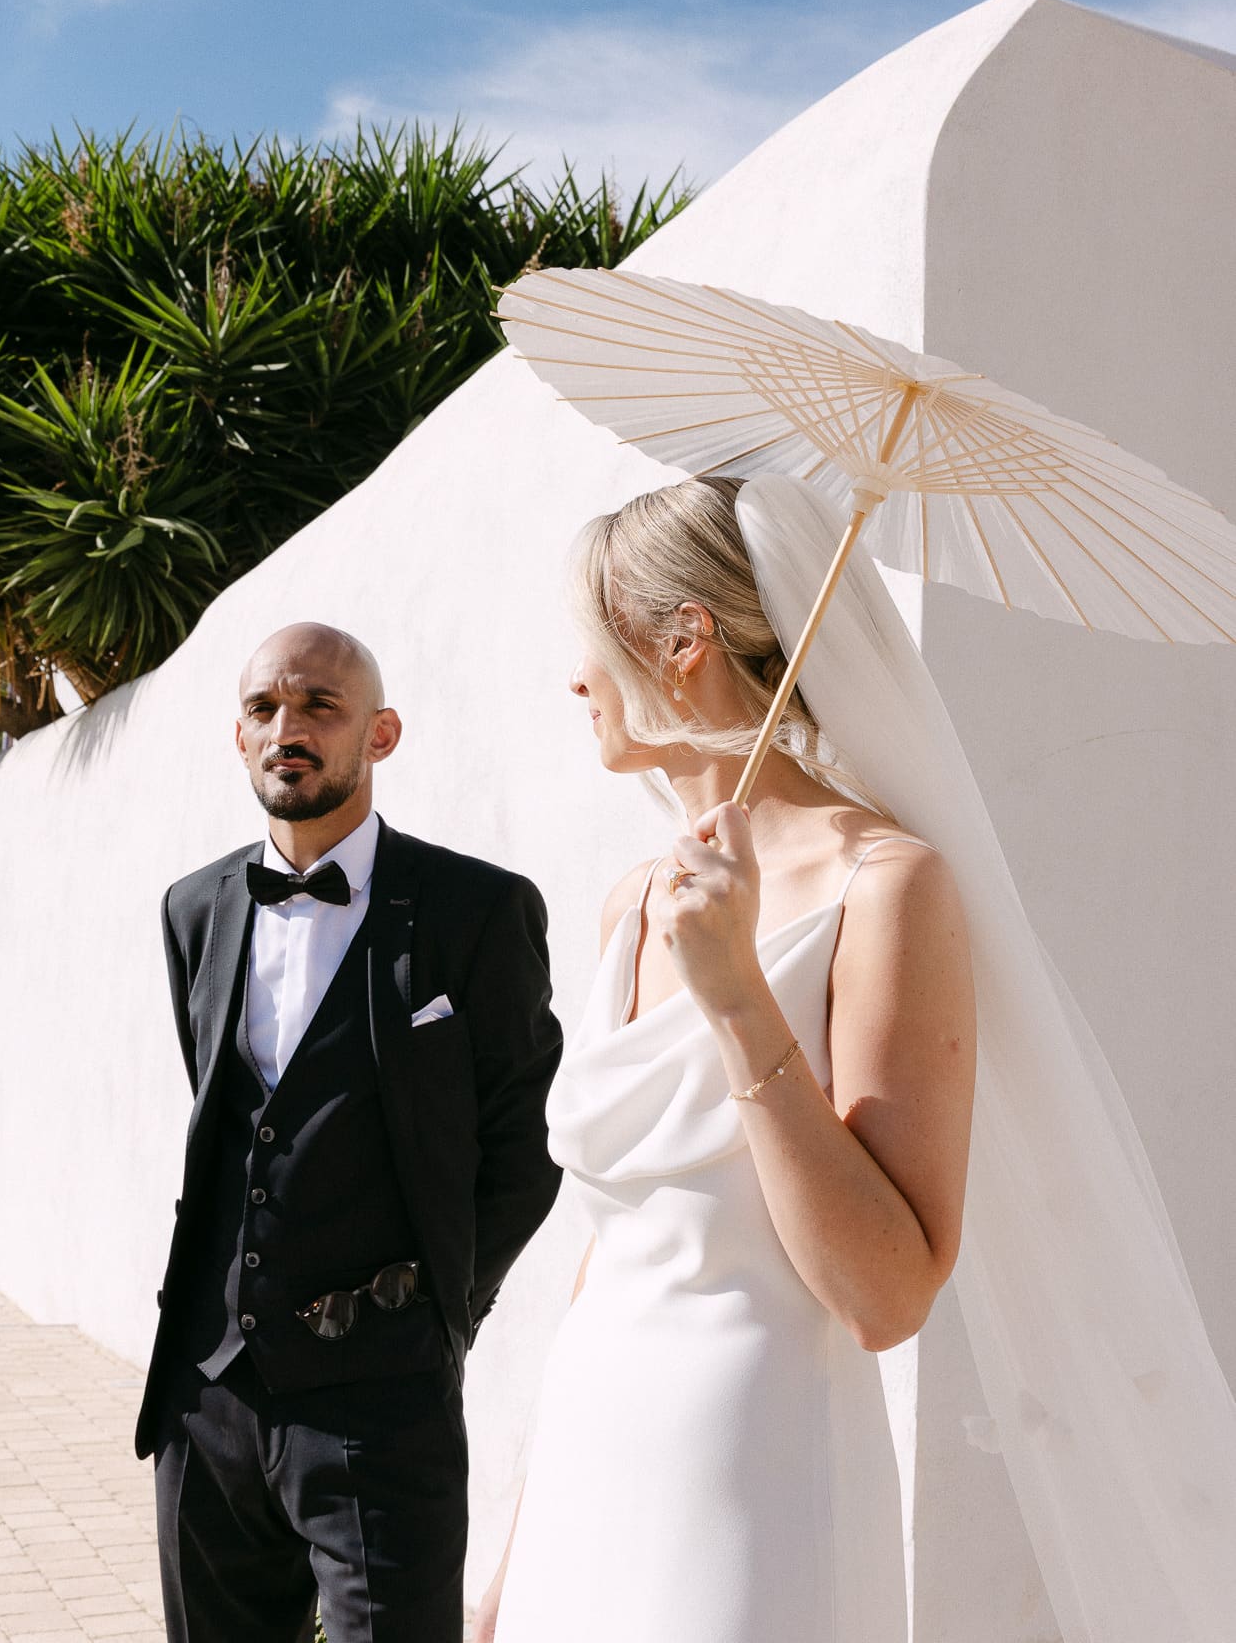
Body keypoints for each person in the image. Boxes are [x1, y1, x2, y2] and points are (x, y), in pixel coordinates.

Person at [478, 474, 1236, 1643]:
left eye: (588, 640)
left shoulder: (886, 885)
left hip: (750, 1472)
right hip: (590, 1451)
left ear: (681, 641)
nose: (573, 677)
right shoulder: (637, 899)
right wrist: (517, 1542)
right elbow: (611, 1250)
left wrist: (735, 997)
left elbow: (885, 1292)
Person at [135, 621, 563, 1643]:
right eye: (263, 708)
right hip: (208, 1393)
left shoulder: (475, 907)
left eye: (320, 706)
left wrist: (441, 1310)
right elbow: (233, 1118)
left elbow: (525, 1142)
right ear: (237, 734)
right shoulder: (193, 907)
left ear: (381, 733)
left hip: (382, 1392)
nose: (289, 728)